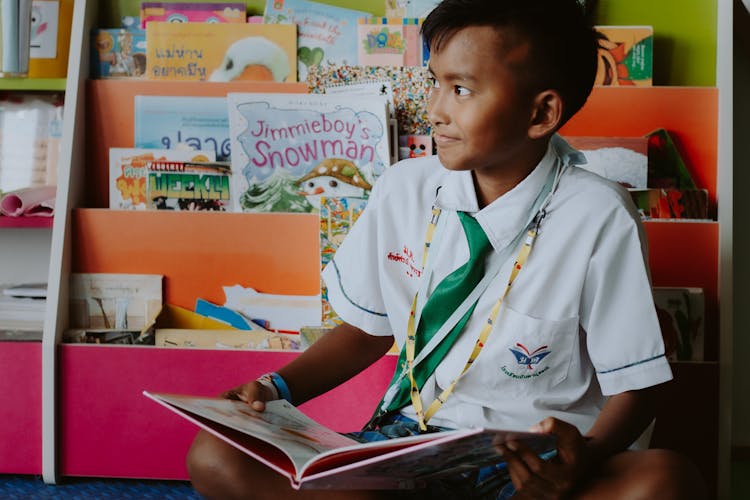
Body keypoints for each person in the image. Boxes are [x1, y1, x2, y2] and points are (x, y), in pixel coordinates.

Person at [186, 0, 707, 498]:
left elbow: (638, 385)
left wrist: (581, 463)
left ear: (541, 112)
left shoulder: (598, 214)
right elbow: (367, 332)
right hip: (408, 446)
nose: (434, 109)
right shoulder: (404, 188)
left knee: (667, 479)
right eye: (435, 82)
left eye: (461, 89)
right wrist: (274, 388)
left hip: (531, 464)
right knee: (216, 455)